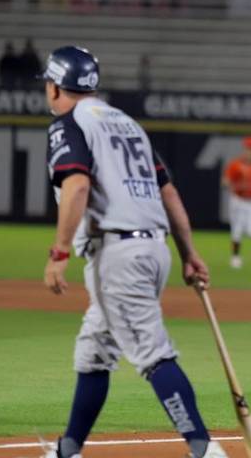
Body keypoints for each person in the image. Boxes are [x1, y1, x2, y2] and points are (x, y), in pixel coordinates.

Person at [40, 46, 227, 458]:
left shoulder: (67, 124)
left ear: (55, 86)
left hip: (117, 254)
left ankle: (203, 449)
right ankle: (67, 450)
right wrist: (189, 252)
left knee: (152, 354)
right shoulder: (127, 124)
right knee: (94, 351)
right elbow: (168, 192)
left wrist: (58, 254)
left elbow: (76, 186)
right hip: (152, 249)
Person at [222, 136, 251, 269]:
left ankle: (247, 255)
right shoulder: (236, 165)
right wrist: (232, 185)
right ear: (245, 149)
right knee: (236, 230)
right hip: (238, 200)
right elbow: (225, 181)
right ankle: (235, 257)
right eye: (250, 149)